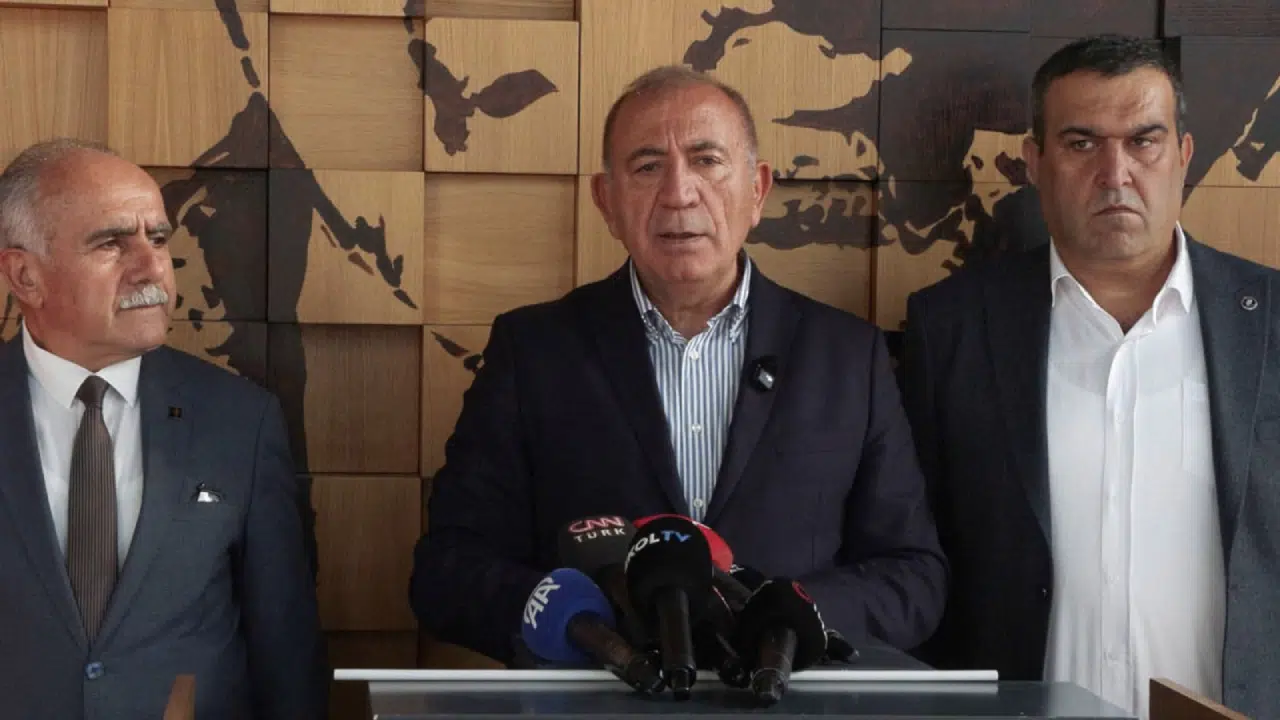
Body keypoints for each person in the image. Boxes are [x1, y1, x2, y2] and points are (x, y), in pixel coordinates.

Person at [410, 65, 947, 665]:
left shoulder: (848, 357)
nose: (679, 193)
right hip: (598, 694)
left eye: (707, 160)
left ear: (758, 190)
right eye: (647, 167)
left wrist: (798, 616)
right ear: (606, 201)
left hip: (790, 694)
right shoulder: (533, 351)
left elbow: (914, 576)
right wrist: (588, 623)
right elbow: (448, 570)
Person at [902, 35, 1279, 719]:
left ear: (1184, 156)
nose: (1115, 173)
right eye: (1081, 143)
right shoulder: (951, 328)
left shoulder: (1271, 323)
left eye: (1144, 142)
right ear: (1035, 162)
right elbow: (916, 556)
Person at [0, 139, 329, 719]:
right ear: (25, 275)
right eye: (111, 243)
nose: (152, 267)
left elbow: (285, 652)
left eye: (157, 238)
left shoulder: (240, 420)